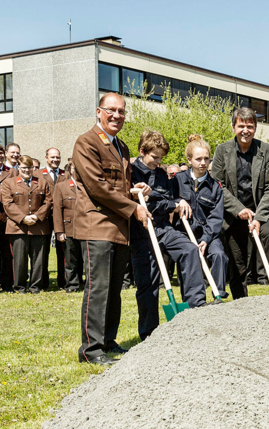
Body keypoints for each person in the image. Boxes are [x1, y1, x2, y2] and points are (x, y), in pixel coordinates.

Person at [73, 92, 149, 365]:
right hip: (97, 226)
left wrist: (134, 191)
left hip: (119, 228)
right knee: (98, 288)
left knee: (114, 288)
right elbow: (97, 187)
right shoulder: (86, 142)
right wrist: (134, 208)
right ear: (98, 112)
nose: (117, 116)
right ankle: (90, 350)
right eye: (111, 110)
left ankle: (107, 340)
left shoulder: (123, 147)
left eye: (121, 111)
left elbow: (116, 187)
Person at [129, 130, 205, 338]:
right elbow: (145, 199)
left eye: (161, 158)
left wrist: (168, 201)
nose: (158, 161)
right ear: (142, 151)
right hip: (142, 232)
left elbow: (167, 198)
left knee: (189, 250)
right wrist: (162, 200)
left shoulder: (162, 174)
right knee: (148, 281)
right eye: (154, 157)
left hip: (164, 228)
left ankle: (196, 308)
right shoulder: (131, 172)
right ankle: (149, 332)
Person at [211, 107, 269, 297]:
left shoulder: (267, 151)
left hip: (262, 211)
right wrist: (239, 210)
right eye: (241, 126)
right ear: (234, 127)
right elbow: (218, 185)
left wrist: (259, 218)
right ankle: (240, 302)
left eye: (250, 126)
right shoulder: (222, 150)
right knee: (238, 261)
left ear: (255, 128)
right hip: (234, 214)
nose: (246, 130)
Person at [175, 136, 228, 296]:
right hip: (184, 232)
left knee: (219, 255)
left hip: (208, 233)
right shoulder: (177, 180)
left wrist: (206, 239)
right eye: (198, 159)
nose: (203, 163)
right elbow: (167, 199)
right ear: (189, 160)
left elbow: (216, 217)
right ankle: (193, 298)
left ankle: (218, 294)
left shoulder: (215, 187)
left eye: (206, 158)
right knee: (189, 258)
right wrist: (178, 201)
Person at [0, 155, 52, 294]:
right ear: (18, 168)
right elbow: (8, 204)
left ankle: (35, 286)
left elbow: (48, 202)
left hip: (38, 226)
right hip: (18, 227)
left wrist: (37, 216)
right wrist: (22, 218)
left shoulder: (42, 182)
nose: (26, 170)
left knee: (38, 259)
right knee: (19, 260)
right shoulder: (9, 183)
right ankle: (20, 287)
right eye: (23, 168)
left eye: (29, 168)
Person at [0, 143, 19, 292]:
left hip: (8, 217)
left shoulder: (13, 172)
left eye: (1, 153)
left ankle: (7, 283)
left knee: (7, 253)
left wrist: (7, 213)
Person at [52, 160, 83, 292]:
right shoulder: (61, 186)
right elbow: (57, 210)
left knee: (88, 259)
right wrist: (59, 231)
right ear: (70, 170)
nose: (76, 171)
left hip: (87, 228)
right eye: (74, 168)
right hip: (69, 228)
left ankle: (86, 283)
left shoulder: (89, 185)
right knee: (70, 259)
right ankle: (72, 284)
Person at [42, 147, 65, 290]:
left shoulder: (66, 174)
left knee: (62, 251)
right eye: (52, 157)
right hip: (44, 217)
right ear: (46, 158)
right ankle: (43, 282)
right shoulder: (38, 174)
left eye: (57, 157)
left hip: (62, 218)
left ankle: (63, 281)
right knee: (43, 251)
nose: (55, 159)